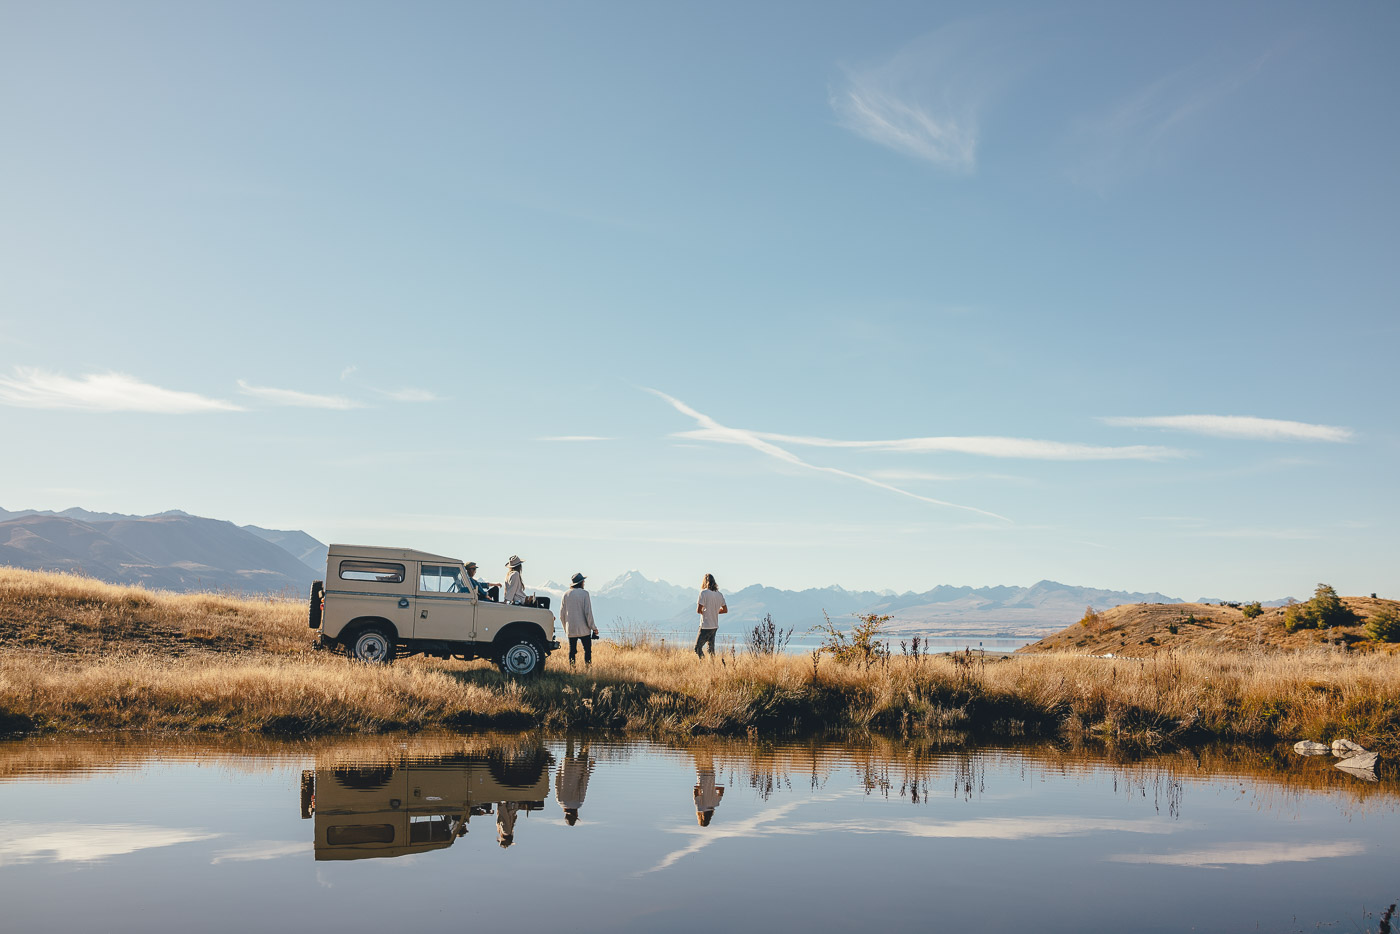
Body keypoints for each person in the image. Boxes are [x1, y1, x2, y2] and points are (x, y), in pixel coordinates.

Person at [559, 572, 598, 666]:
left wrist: (566, 628)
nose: (584, 582)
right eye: (583, 581)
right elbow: (588, 612)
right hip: (584, 628)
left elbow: (562, 614)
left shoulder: (566, 594)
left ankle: (572, 669)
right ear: (581, 582)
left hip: (571, 628)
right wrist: (593, 627)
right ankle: (588, 668)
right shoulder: (585, 594)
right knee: (587, 650)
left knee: (572, 651)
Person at [555, 737, 593, 826]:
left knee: (585, 746)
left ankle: (586, 731)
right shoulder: (560, 801)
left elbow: (583, 785)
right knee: (569, 746)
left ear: (576, 814)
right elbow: (557, 782)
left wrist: (588, 770)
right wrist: (561, 766)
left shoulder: (578, 803)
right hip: (566, 768)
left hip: (579, 770)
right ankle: (570, 730)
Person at [695, 572, 727, 659]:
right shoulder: (719, 594)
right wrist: (714, 611)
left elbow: (698, 610)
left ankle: (703, 664)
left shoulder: (703, 593)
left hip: (705, 626)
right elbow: (725, 610)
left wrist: (707, 612)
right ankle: (712, 667)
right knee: (711, 649)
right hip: (714, 626)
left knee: (697, 648)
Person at [693, 747, 725, 827]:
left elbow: (722, 789)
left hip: (711, 776)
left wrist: (712, 788)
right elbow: (695, 791)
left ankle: (708, 743)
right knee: (698, 756)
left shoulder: (716, 804)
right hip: (702, 777)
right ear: (701, 818)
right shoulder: (700, 807)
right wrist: (702, 788)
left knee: (709, 757)